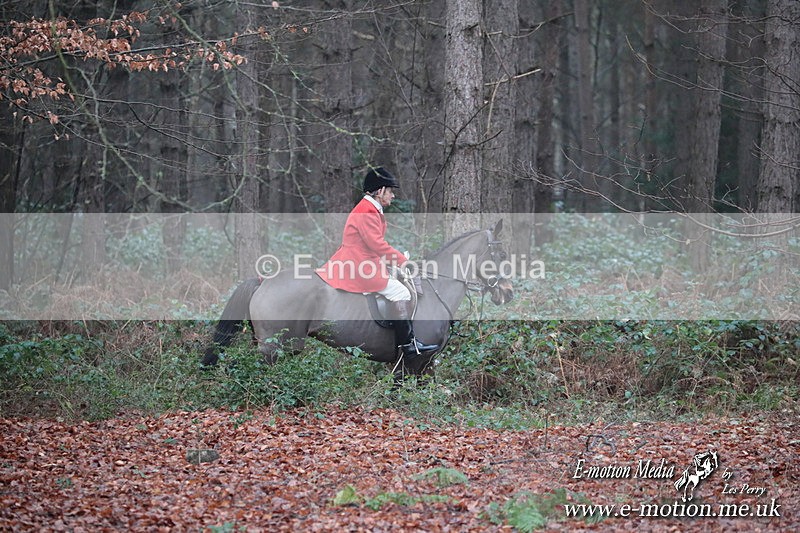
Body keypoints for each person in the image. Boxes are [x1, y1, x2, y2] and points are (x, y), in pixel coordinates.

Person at [316, 167, 439, 359]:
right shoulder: (366, 210)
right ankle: (408, 345)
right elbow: (377, 244)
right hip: (359, 264)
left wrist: (396, 261)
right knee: (401, 291)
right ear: (380, 191)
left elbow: (374, 245)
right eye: (390, 190)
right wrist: (403, 262)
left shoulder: (370, 208)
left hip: (363, 260)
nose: (393, 195)